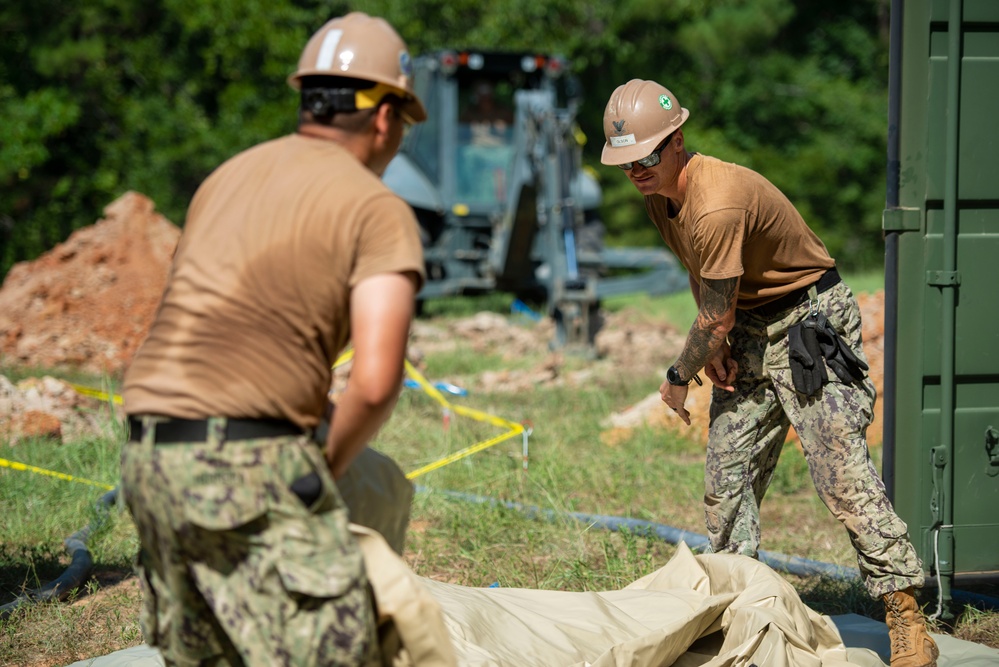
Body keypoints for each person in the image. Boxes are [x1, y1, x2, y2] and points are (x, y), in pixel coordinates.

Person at [119, 12, 427, 666]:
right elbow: (374, 383)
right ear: (383, 117)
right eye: (403, 123)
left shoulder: (224, 178)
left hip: (146, 460)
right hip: (246, 462)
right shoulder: (376, 208)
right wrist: (317, 479)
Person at [600, 79, 938, 667]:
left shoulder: (719, 198)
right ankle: (744, 610)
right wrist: (721, 341)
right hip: (748, 328)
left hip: (809, 322)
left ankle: (906, 615)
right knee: (726, 478)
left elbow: (714, 306)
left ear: (677, 140)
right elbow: (706, 281)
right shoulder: (661, 197)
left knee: (841, 474)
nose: (637, 170)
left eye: (647, 156)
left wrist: (684, 369)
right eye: (626, 161)